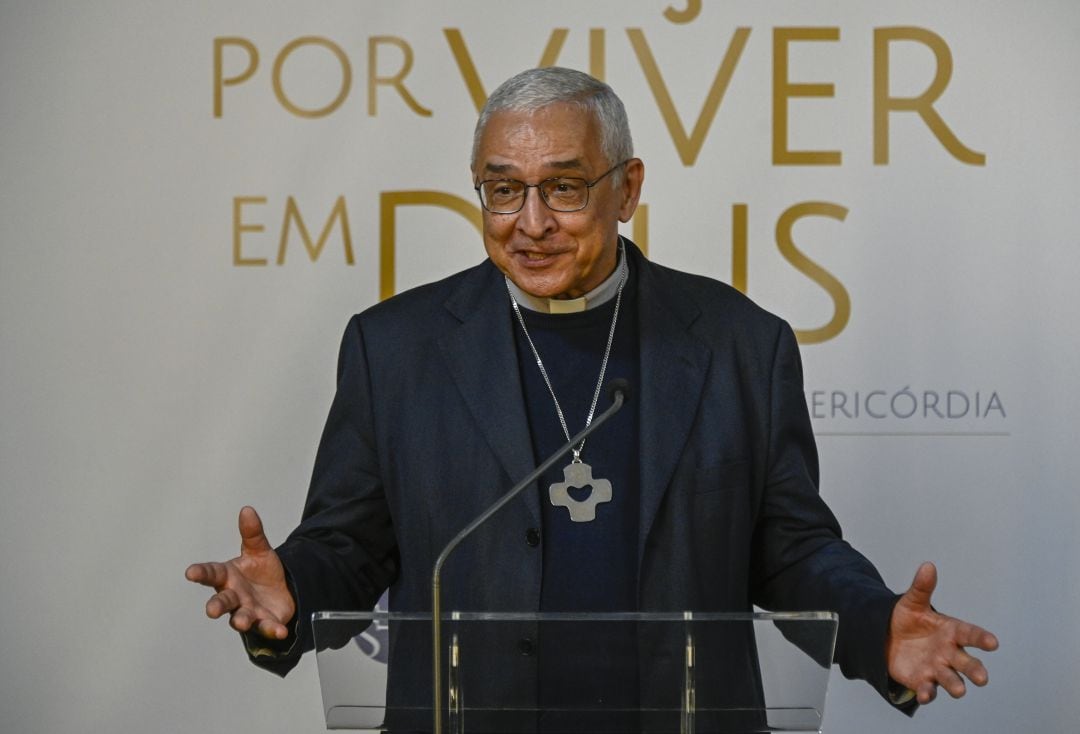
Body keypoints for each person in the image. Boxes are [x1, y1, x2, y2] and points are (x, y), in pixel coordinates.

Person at [187, 67, 997, 718]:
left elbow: (789, 547)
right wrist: (291, 583)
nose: (530, 222)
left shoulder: (739, 344)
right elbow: (353, 544)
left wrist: (871, 623)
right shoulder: (395, 348)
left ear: (628, 187)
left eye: (564, 188)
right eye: (502, 190)